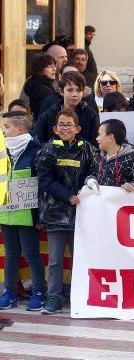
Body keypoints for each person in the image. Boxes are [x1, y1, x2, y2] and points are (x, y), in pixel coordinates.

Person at [36, 109, 95, 314]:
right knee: (55, 259)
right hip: (55, 213)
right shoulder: (48, 149)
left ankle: (82, 296)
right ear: (54, 128)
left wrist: (89, 185)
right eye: (61, 124)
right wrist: (68, 196)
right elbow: (45, 180)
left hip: (81, 212)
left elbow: (94, 172)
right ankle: (54, 299)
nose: (65, 128)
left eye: (69, 124)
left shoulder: (87, 149)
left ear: (77, 128)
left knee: (81, 257)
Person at [0, 111, 46, 311]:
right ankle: (9, 293)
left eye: (6, 127)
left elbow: (42, 187)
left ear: (20, 129)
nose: (4, 131)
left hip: (27, 216)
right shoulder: (3, 151)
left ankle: (39, 292)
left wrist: (38, 215)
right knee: (11, 254)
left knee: (31, 254)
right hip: (5, 213)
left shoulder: (36, 151)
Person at [34, 72, 100, 147]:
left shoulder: (90, 115)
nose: (74, 94)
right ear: (61, 91)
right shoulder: (50, 114)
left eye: (78, 90)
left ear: (84, 92)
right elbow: (38, 140)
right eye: (70, 90)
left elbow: (96, 144)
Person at [86, 119, 134, 192]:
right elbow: (91, 175)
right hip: (100, 202)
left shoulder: (131, 160)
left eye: (99, 134)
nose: (97, 138)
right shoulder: (97, 157)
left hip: (121, 202)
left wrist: (133, 186)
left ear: (110, 137)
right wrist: (90, 180)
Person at [23, 54, 58, 120]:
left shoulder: (34, 83)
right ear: (40, 69)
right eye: (49, 66)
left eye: (54, 65)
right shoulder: (42, 90)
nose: (54, 69)